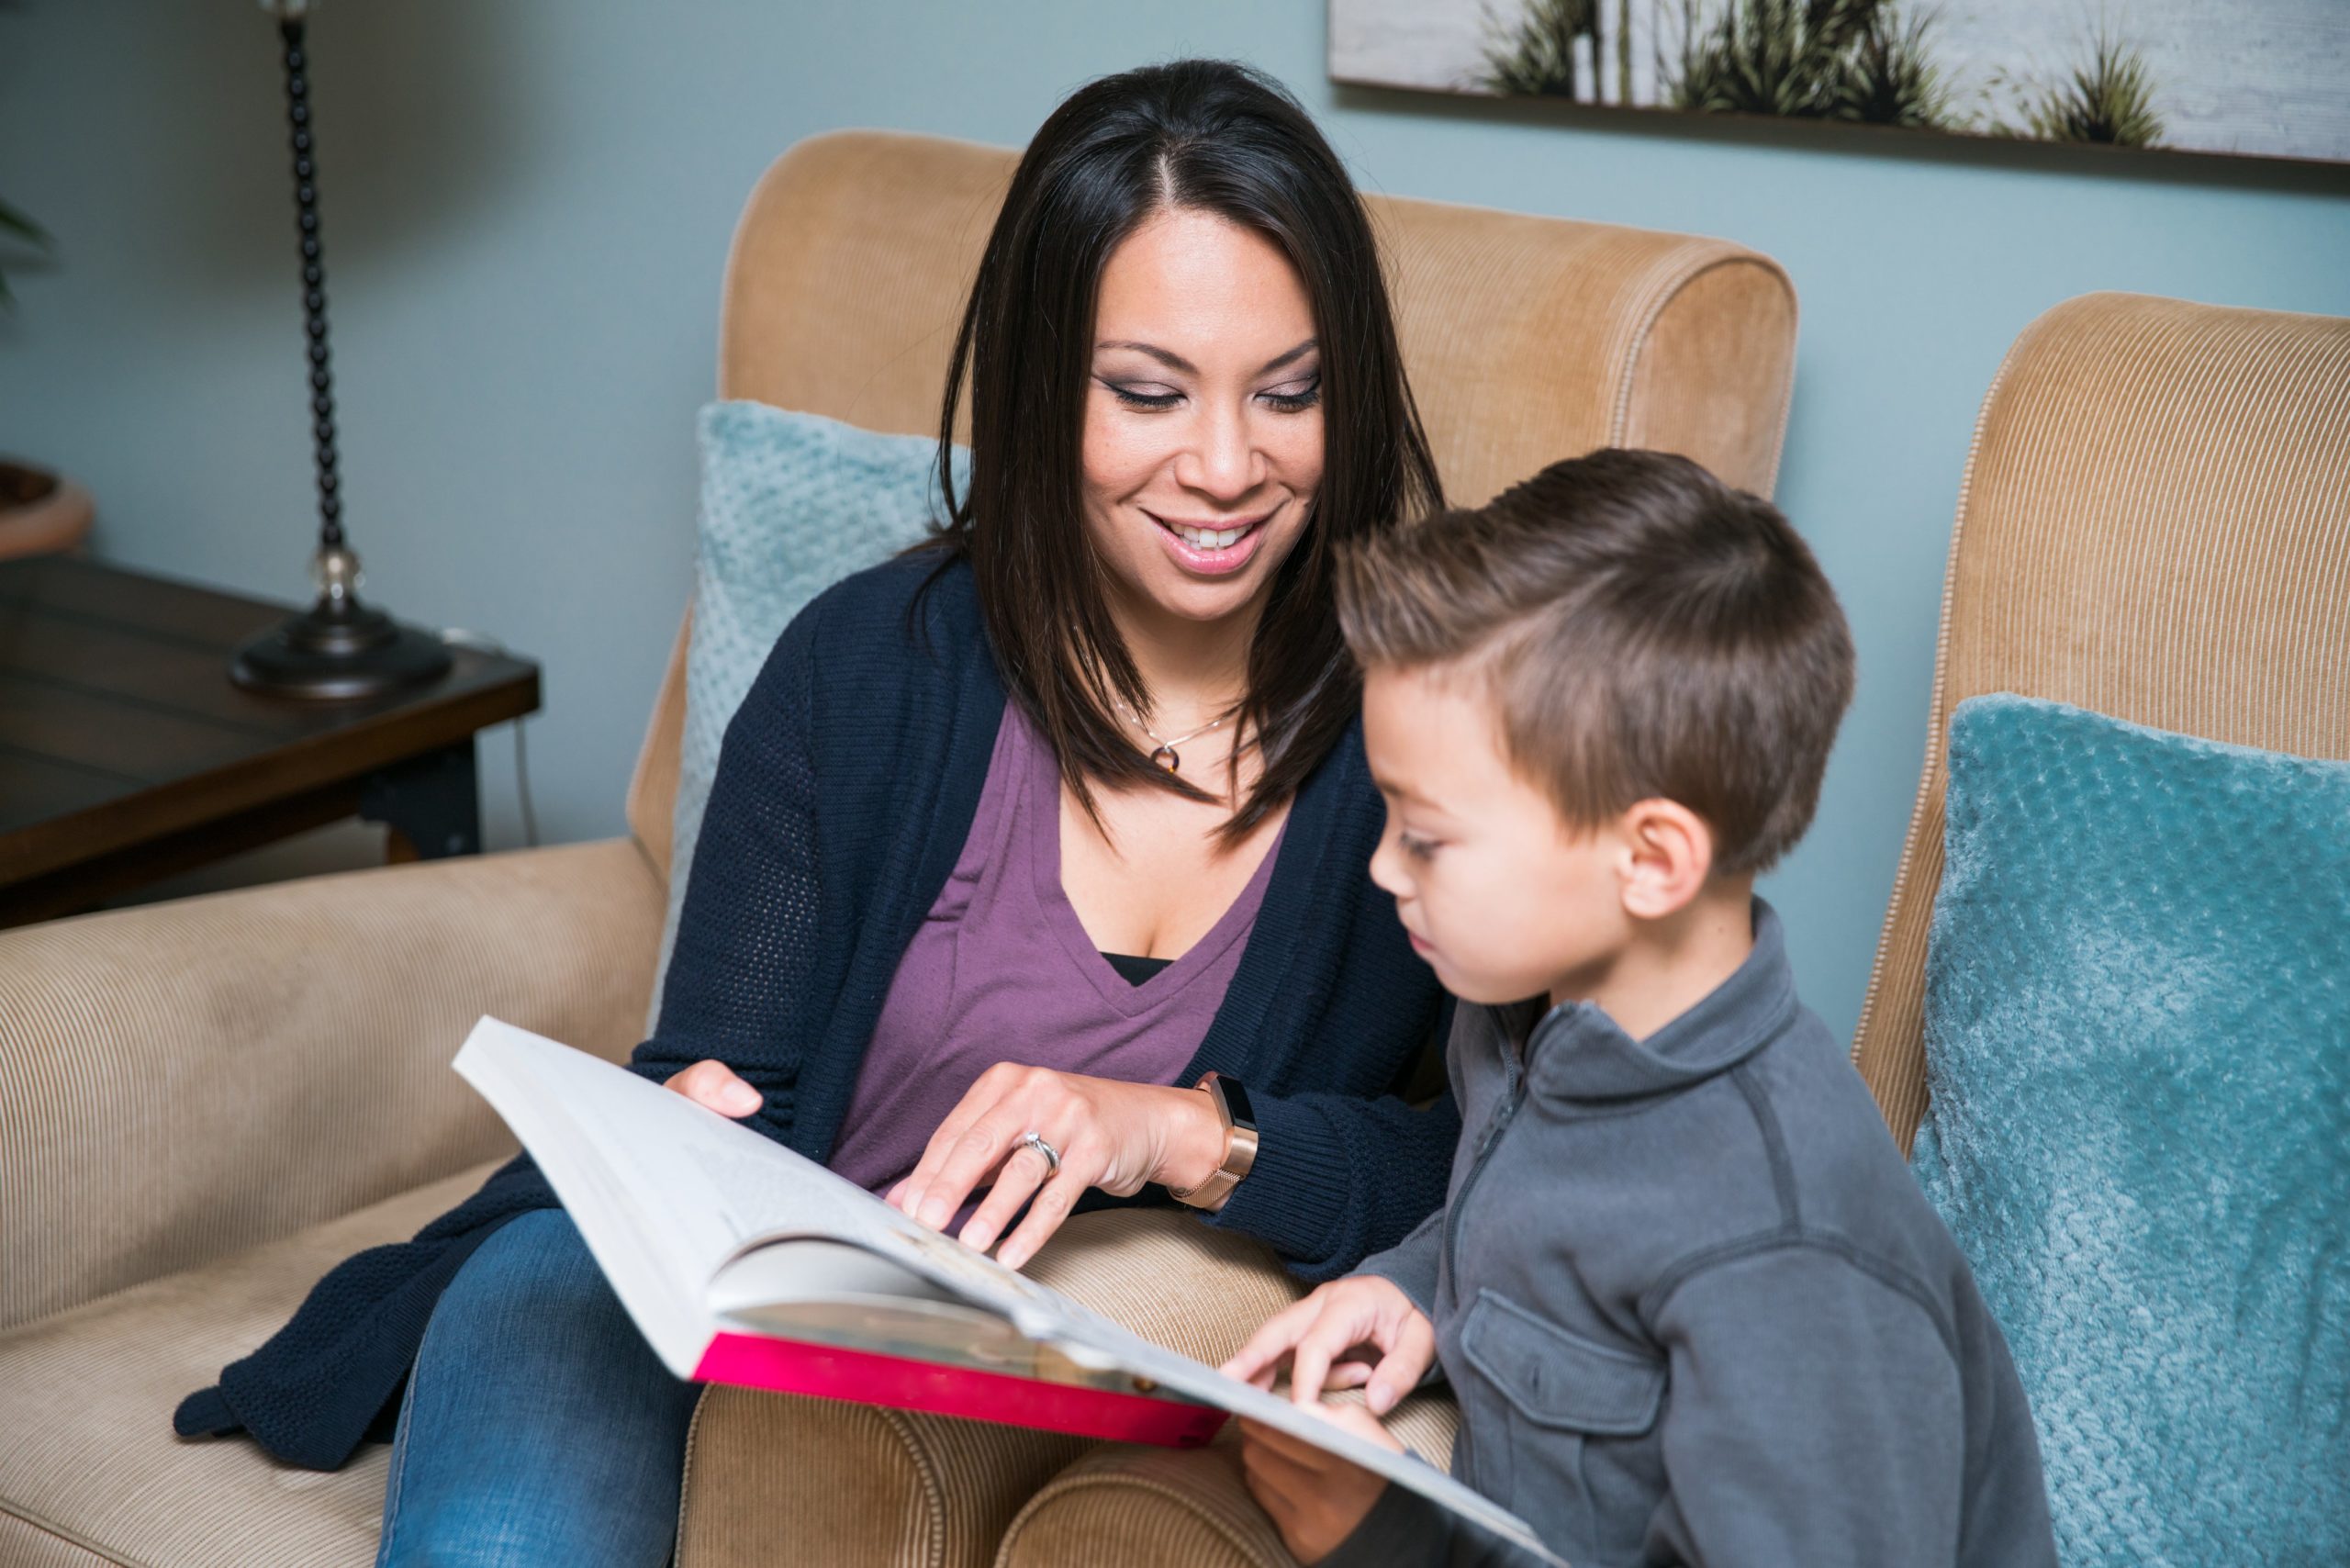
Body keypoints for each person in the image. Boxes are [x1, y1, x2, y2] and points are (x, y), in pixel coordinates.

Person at [174, 60, 1463, 1566]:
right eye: (1149, 392)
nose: (1231, 465)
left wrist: (1189, 1134)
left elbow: (1500, 1167)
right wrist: (682, 1115)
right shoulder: (871, 663)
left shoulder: (1432, 734)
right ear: (1048, 388)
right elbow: (722, 1066)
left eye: (1288, 392)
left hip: (975, 1370)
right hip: (664, 1289)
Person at [1223, 451, 2059, 1567]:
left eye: (1423, 834)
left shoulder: (1784, 1250)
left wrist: (1400, 1544)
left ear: (1652, 858)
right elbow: (1536, 1231)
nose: (1381, 868)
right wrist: (1418, 1287)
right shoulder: (1522, 1017)